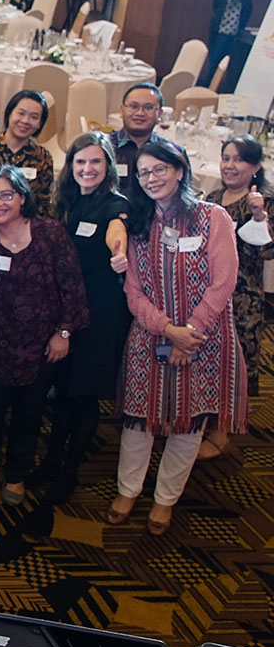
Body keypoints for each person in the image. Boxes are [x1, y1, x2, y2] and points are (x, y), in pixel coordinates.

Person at [110, 141, 247, 536]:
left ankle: (165, 499)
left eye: (159, 170)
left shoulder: (212, 217)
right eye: (144, 173)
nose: (151, 179)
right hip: (151, 335)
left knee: (188, 425)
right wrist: (167, 330)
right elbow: (133, 290)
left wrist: (190, 334)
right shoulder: (137, 222)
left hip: (205, 338)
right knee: (139, 421)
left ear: (180, 171)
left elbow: (224, 283)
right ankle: (128, 491)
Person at [0, 167, 89, 508]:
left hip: (41, 343)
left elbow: (72, 286)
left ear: (22, 197)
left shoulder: (49, 233)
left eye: (5, 195)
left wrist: (63, 332)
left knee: (30, 411)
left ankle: (16, 474)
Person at [32, 132, 131, 504]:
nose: (87, 169)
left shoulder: (114, 204)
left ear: (107, 167)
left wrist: (118, 252)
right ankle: (52, 458)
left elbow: (116, 232)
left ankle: (70, 468)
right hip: (65, 309)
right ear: (70, 167)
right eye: (80, 162)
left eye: (95, 162)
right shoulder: (68, 202)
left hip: (100, 313)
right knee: (63, 390)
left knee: (84, 394)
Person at [205, 135, 273, 415]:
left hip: (242, 296)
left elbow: (268, 252)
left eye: (239, 159)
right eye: (226, 158)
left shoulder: (262, 202)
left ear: (255, 166)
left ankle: (226, 429)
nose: (230, 165)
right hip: (210, 291)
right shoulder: (212, 198)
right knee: (209, 358)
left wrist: (259, 217)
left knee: (236, 361)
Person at [0, 90, 55, 217]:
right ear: (9, 114)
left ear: (40, 123)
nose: (25, 120)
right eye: (21, 113)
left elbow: (43, 203)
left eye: (34, 117)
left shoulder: (43, 157)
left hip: (26, 224)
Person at [205, 0, 252, 92]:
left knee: (217, 59)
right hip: (216, 24)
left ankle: (210, 88)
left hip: (229, 29)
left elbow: (247, 8)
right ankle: (208, 86)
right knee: (211, 57)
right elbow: (216, 2)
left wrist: (239, 28)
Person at [111, 83, 163, 180]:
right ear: (122, 111)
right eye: (134, 106)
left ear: (159, 114)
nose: (140, 113)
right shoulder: (103, 148)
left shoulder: (171, 153)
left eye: (148, 107)